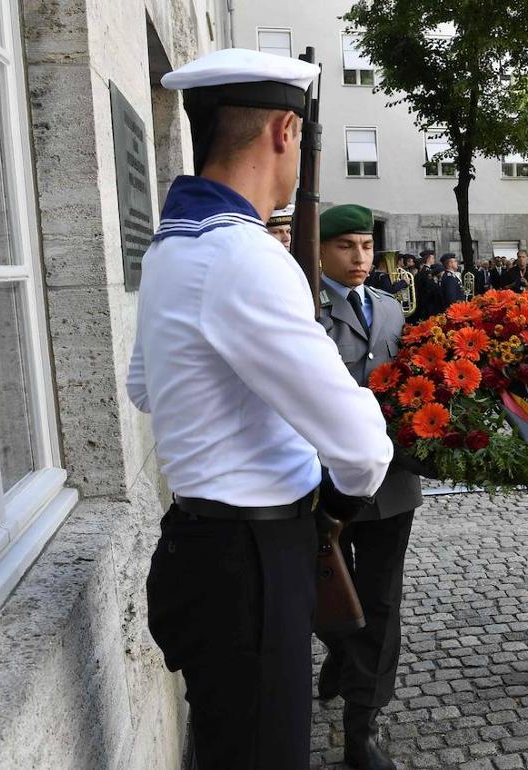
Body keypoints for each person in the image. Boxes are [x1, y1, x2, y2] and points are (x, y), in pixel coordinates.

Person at [127, 49, 393, 770]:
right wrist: (331, 517)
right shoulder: (244, 254)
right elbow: (364, 448)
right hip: (252, 560)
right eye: (300, 139)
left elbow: (145, 390)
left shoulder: (172, 246)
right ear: (283, 130)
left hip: (199, 542)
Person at [312, 205, 423, 770]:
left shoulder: (388, 308)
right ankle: (338, 651)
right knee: (328, 587)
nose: (359, 258)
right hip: (323, 480)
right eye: (345, 247)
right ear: (320, 250)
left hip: (390, 481)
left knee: (380, 600)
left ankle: (363, 727)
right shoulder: (305, 310)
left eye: (364, 246)